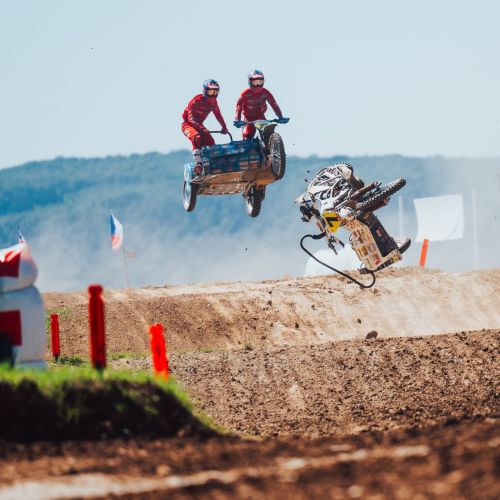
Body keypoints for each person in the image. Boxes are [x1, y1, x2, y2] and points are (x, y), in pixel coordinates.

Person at [182, 79, 229, 171]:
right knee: (197, 137)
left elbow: (218, 115)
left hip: (199, 125)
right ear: (205, 91)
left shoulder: (214, 103)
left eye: (215, 92)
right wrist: (202, 128)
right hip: (188, 125)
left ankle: (213, 163)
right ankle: (198, 164)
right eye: (211, 92)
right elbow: (191, 119)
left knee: (211, 142)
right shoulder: (196, 101)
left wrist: (224, 127)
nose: (213, 95)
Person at [234, 70, 289, 140]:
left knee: (268, 130)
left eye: (260, 82)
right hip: (248, 119)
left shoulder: (266, 92)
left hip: (260, 117)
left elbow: (274, 104)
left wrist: (280, 117)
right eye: (255, 82)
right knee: (247, 134)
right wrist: (237, 120)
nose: (258, 85)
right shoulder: (244, 94)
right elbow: (238, 108)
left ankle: (271, 143)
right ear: (250, 82)